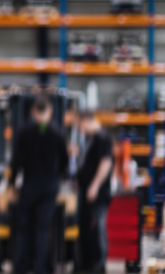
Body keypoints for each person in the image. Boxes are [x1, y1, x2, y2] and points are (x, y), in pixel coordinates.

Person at [8, 95, 69, 274]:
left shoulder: (24, 133)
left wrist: (12, 185)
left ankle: (21, 267)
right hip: (49, 187)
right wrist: (57, 178)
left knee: (24, 229)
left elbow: (15, 162)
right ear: (50, 111)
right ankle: (41, 269)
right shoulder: (58, 134)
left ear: (33, 111)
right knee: (43, 229)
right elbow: (65, 163)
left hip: (29, 186)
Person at [75, 110, 113, 273]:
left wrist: (95, 185)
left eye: (78, 124)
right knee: (87, 229)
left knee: (98, 229)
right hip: (88, 193)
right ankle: (87, 265)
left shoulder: (102, 138)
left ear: (86, 120)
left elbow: (106, 162)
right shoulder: (92, 139)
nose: (78, 128)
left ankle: (99, 267)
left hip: (97, 193)